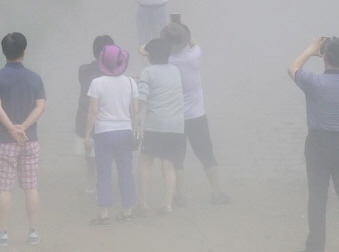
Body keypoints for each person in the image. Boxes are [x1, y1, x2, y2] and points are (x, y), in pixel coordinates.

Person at [287, 36, 339, 252]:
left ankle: (315, 246)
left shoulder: (313, 82)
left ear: (324, 56)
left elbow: (292, 68)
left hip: (318, 145)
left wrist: (310, 50)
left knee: (317, 199)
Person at [0, 32, 47, 247]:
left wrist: (12, 128)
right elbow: (40, 106)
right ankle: (33, 233)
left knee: (5, 188)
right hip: (30, 139)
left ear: (3, 52)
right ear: (24, 51)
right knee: (30, 187)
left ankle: (2, 234)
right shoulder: (35, 78)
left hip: (5, 140)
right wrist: (24, 127)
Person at [165, 22, 230, 205]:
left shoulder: (166, 60)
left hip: (175, 117)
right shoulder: (195, 56)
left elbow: (147, 49)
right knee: (206, 154)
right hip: (197, 116)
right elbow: (194, 42)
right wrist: (181, 28)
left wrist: (167, 33)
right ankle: (216, 192)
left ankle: (179, 195)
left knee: (177, 158)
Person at [85, 43, 139, 225]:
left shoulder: (97, 83)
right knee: (126, 172)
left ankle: (104, 214)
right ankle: (128, 211)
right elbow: (135, 111)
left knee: (104, 173)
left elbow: (93, 111)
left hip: (103, 133)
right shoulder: (131, 83)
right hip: (124, 132)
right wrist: (134, 129)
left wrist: (87, 135)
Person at [136, 37, 185, 216]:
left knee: (146, 162)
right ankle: (167, 205)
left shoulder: (147, 72)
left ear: (150, 57)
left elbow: (141, 99)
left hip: (156, 125)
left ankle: (142, 203)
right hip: (177, 125)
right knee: (169, 165)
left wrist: (133, 115)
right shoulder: (176, 71)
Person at [75, 35, 113, 194]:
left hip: (84, 119)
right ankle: (103, 184)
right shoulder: (113, 74)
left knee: (90, 156)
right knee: (105, 157)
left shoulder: (83, 69)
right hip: (105, 120)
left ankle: (91, 183)